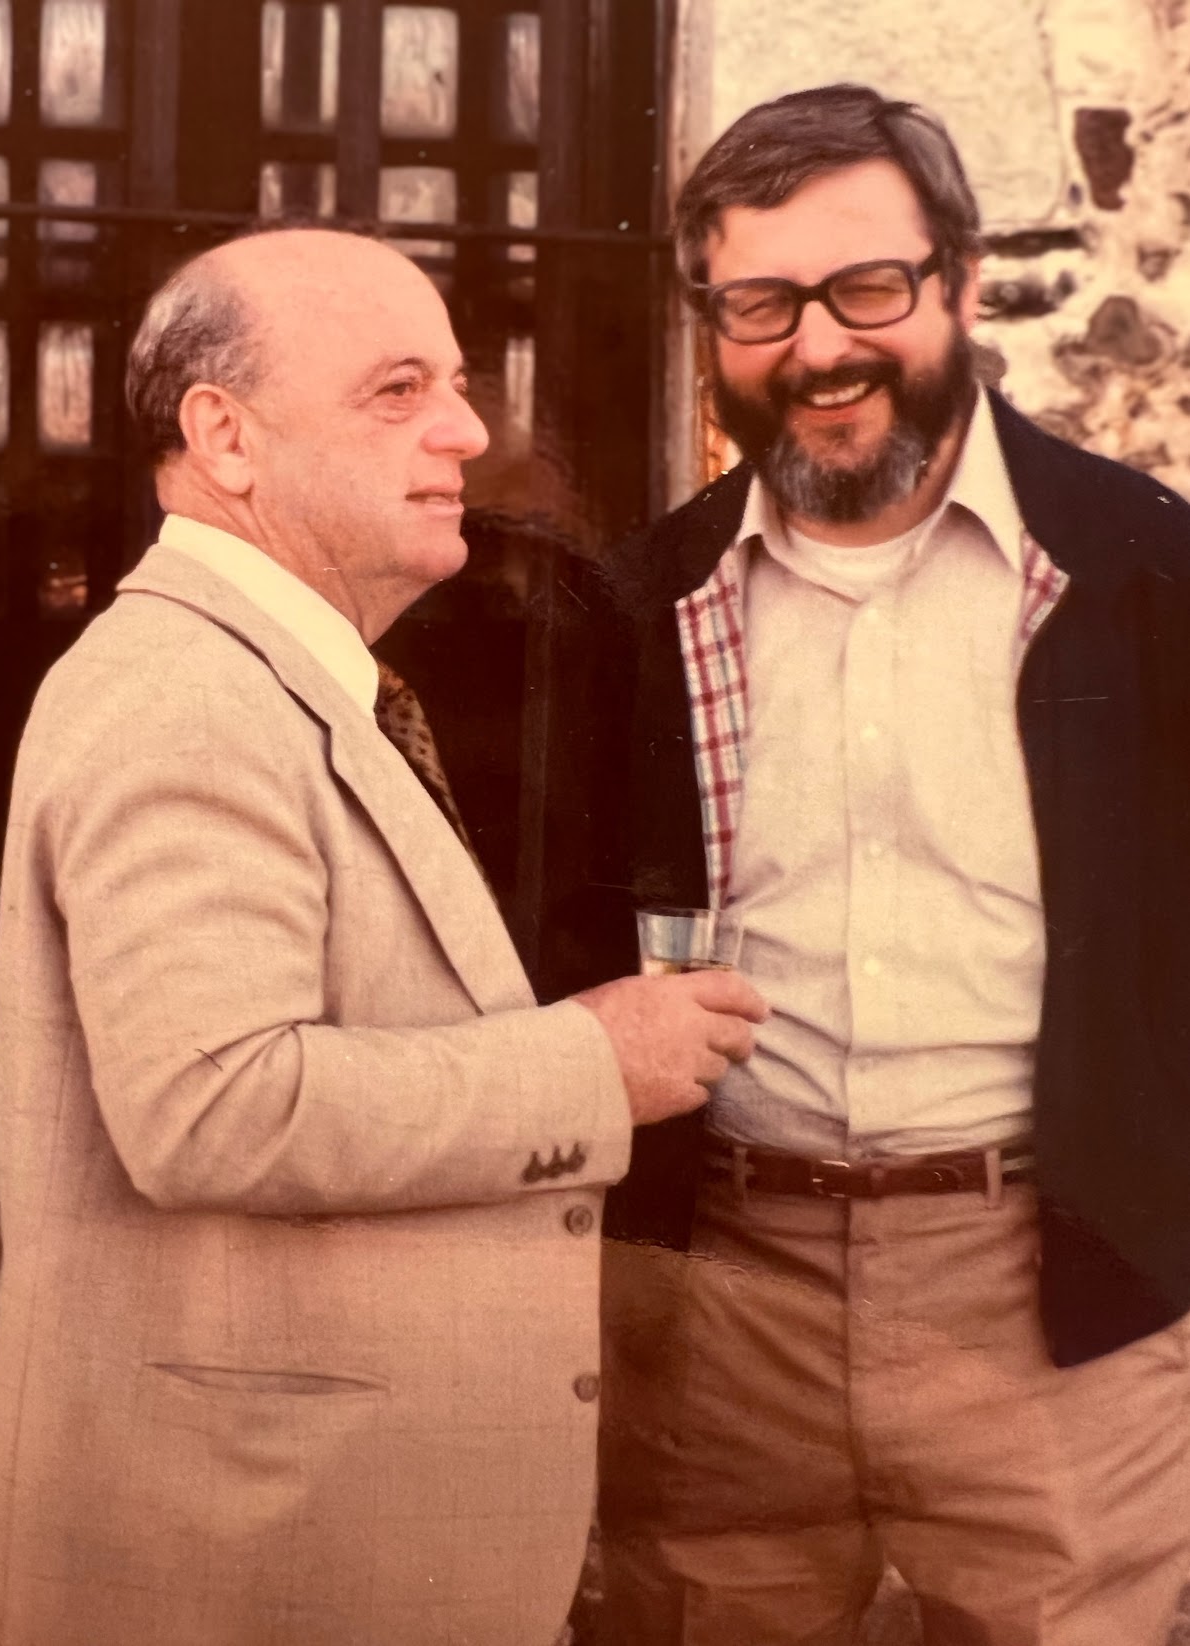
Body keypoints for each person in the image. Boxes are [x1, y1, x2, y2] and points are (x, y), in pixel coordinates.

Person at [0, 224, 765, 1646]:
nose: (466, 430)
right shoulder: (186, 698)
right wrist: (594, 1061)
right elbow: (211, 1108)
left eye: (456, 383)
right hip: (250, 1579)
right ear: (223, 435)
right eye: (397, 391)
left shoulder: (279, 678)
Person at [583, 83, 1190, 1646]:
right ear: (703, 323)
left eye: (867, 287)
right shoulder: (630, 606)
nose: (819, 346)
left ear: (959, 284)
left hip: (1063, 1294)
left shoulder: (1146, 573)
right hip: (715, 1299)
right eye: (759, 302)